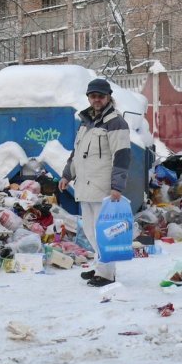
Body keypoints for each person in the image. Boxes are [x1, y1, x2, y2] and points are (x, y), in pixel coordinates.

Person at [58, 78, 131, 287]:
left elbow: (123, 155)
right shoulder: (86, 122)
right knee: (90, 231)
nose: (96, 99)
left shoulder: (116, 122)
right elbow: (77, 153)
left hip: (103, 188)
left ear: (108, 97)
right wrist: (66, 175)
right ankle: (101, 268)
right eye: (93, 96)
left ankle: (107, 274)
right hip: (85, 187)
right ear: (89, 98)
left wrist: (117, 186)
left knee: (103, 233)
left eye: (100, 96)